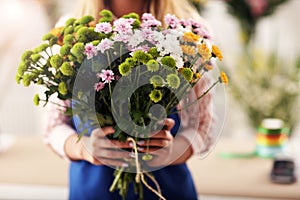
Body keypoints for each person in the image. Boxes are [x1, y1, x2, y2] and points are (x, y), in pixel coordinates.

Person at [45, 0, 214, 199]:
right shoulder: (70, 30)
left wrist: (174, 151)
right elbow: (52, 127)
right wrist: (83, 148)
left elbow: (204, 124)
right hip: (94, 188)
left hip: (165, 188)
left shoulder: (187, 29)